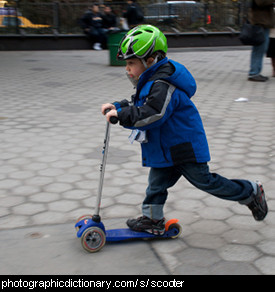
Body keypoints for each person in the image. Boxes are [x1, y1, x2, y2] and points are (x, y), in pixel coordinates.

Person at [101, 25, 268, 235]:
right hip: (166, 147)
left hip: (183, 147)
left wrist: (122, 116)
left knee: (206, 182)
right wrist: (119, 107)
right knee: (156, 185)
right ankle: (153, 220)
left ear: (150, 60)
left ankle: (250, 192)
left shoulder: (163, 84)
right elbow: (141, 103)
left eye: (131, 63)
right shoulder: (151, 80)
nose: (127, 69)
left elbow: (153, 113)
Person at [248, 0, 274, 82]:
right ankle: (254, 73)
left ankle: (255, 72)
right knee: (259, 48)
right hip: (260, 22)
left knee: (261, 48)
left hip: (263, 22)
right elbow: (261, 2)